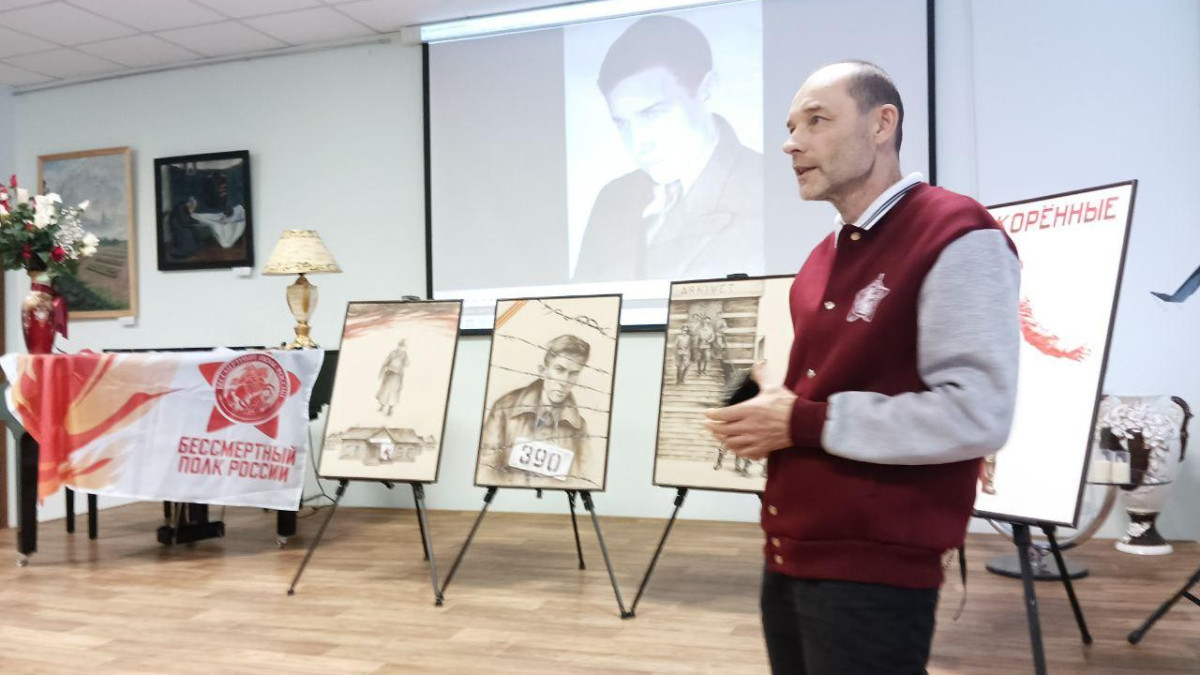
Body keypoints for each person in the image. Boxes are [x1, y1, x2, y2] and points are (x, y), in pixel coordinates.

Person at [705, 61, 1021, 674]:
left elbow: (977, 413)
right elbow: (833, 388)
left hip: (875, 570)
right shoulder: (820, 258)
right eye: (790, 127)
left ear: (882, 124)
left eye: (816, 121)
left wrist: (800, 422)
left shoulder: (957, 233)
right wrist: (769, 399)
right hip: (790, 549)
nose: (791, 143)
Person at [572, 15, 763, 282]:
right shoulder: (612, 199)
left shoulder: (766, 187)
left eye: (653, 113)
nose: (638, 143)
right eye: (622, 123)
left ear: (707, 88)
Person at [478, 334, 596, 487]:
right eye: (559, 370)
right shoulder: (504, 409)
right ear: (543, 370)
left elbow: (583, 479)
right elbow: (485, 470)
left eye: (573, 374)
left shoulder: (580, 427)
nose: (565, 381)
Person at [376, 339, 409, 416]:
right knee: (385, 391)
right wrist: (381, 372)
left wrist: (405, 360)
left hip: (397, 376)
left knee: (394, 393)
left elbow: (407, 364)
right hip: (389, 374)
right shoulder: (392, 353)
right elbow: (385, 362)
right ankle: (382, 406)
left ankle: (390, 410)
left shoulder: (405, 355)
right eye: (400, 346)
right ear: (398, 346)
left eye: (403, 346)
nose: (401, 348)